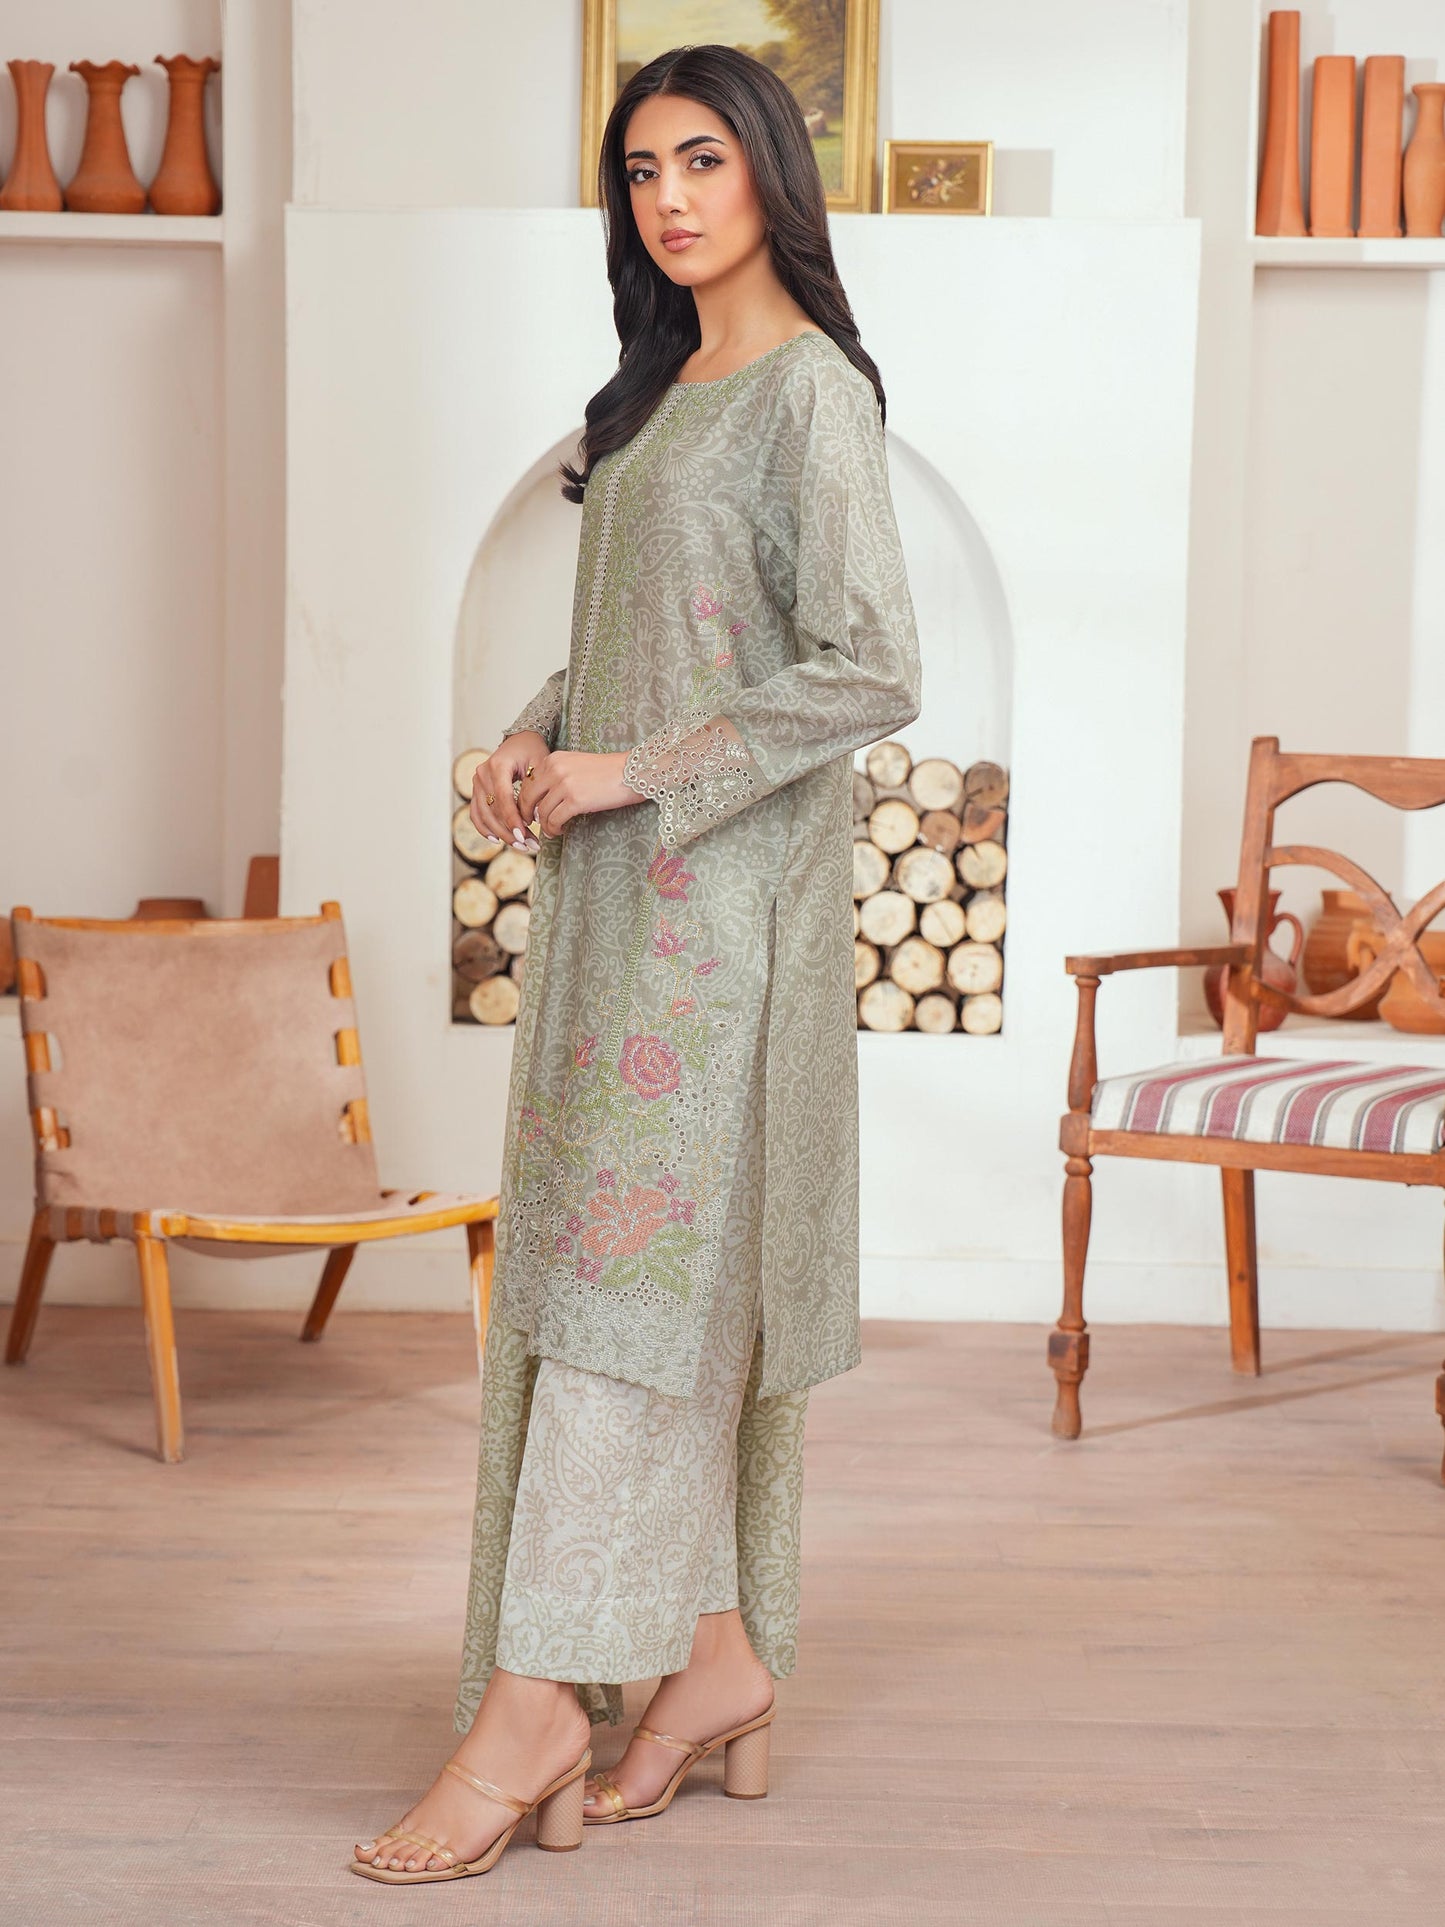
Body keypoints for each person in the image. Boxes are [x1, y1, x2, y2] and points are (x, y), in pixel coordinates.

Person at [351, 40, 921, 1885]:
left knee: (635, 1305)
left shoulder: (809, 393)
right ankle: (717, 1660)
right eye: (640, 170)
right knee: (605, 1298)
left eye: (700, 160)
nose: (668, 198)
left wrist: (632, 772)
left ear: (768, 173)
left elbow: (871, 665)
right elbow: (644, 643)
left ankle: (533, 1710)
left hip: (724, 933)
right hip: (615, 918)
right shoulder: (659, 394)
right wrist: (539, 735)